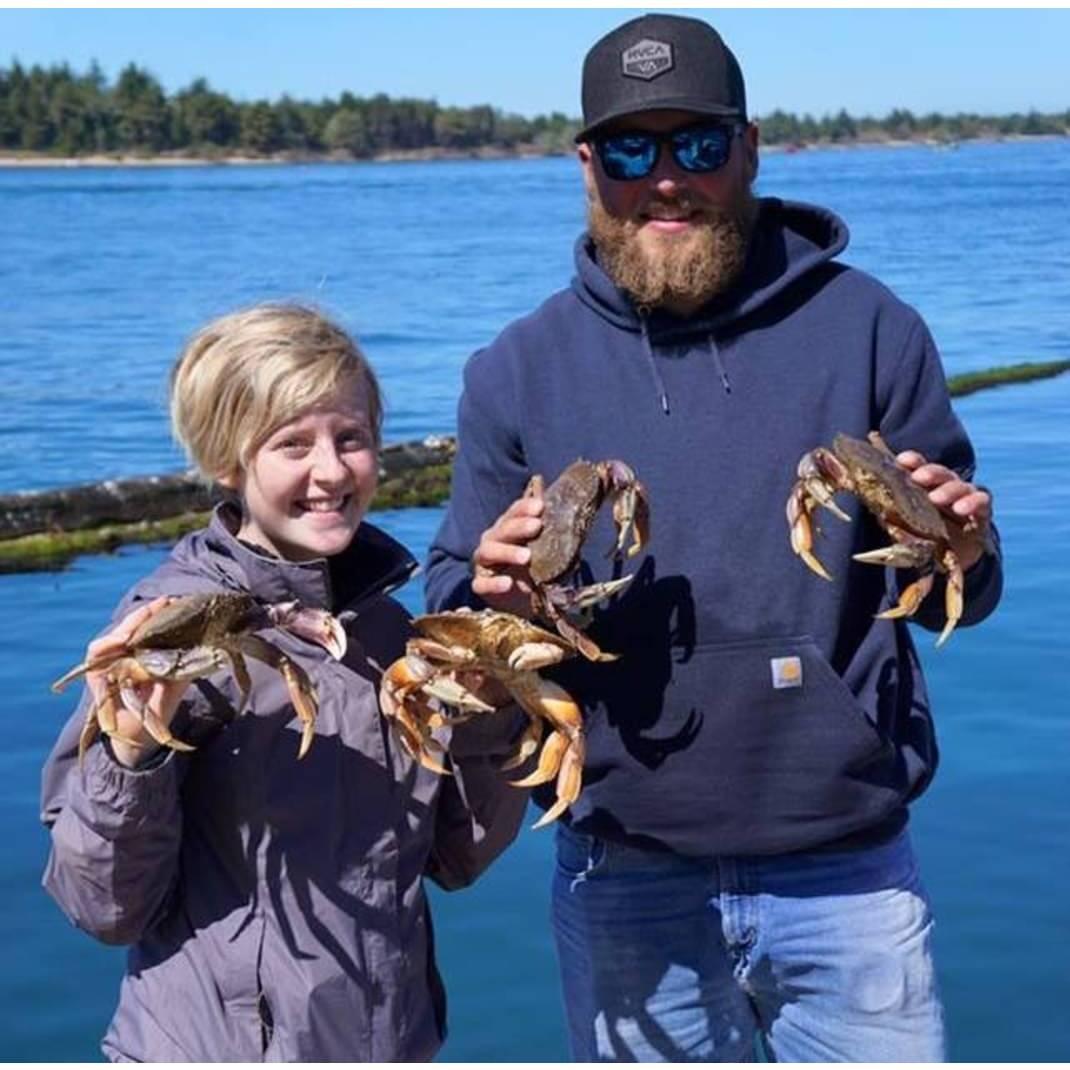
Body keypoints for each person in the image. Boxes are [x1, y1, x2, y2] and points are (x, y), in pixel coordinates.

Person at [424, 13, 1003, 1063]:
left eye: (694, 144)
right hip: (624, 868)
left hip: (846, 866)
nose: (665, 181)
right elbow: (448, 602)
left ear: (746, 147)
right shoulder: (512, 369)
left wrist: (964, 544)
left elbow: (967, 563)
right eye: (630, 150)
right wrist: (490, 593)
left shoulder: (870, 327)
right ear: (585, 165)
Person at [41, 303, 528, 1062]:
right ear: (226, 461)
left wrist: (495, 705)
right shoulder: (166, 626)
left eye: (352, 439)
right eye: (293, 443)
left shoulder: (389, 634)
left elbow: (456, 856)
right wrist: (130, 753)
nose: (331, 471)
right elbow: (103, 907)